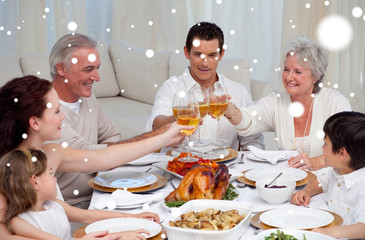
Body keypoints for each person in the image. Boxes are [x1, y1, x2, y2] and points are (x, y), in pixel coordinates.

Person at [0, 75, 190, 239]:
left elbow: (106, 157)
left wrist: (164, 137)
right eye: (57, 111)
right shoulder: (8, 172)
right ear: (35, 122)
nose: (63, 116)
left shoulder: (50, 153)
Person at [50, 33, 170, 208]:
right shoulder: (47, 110)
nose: (97, 77)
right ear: (61, 69)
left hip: (101, 193)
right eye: (88, 69)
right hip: (69, 206)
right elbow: (86, 154)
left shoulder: (86, 98)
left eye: (97, 68)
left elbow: (112, 135)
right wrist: (158, 136)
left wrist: (101, 168)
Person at [224, 35, 351, 170]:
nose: (289, 77)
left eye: (298, 71)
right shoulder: (276, 102)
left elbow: (349, 148)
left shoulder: (335, 102)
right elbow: (248, 122)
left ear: (315, 75)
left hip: (328, 183)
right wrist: (227, 108)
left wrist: (314, 162)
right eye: (286, 69)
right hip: (290, 181)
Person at [146, 21, 263, 151]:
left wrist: (245, 167)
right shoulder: (171, 87)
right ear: (186, 52)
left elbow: (254, 141)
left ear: (221, 54)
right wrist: (183, 114)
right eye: (198, 54)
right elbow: (155, 126)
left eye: (212, 55)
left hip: (226, 169)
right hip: (181, 168)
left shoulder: (238, 92)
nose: (205, 63)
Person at [0, 149, 158, 240]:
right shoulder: (19, 222)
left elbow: (88, 216)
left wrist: (133, 218)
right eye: (49, 173)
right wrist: (119, 236)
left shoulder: (54, 205)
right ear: (35, 181)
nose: (55, 179)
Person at [291, 111, 365, 239]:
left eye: (326, 144)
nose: (322, 147)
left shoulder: (362, 186)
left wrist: (332, 233)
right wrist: (307, 191)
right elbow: (320, 180)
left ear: (342, 153)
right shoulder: (338, 169)